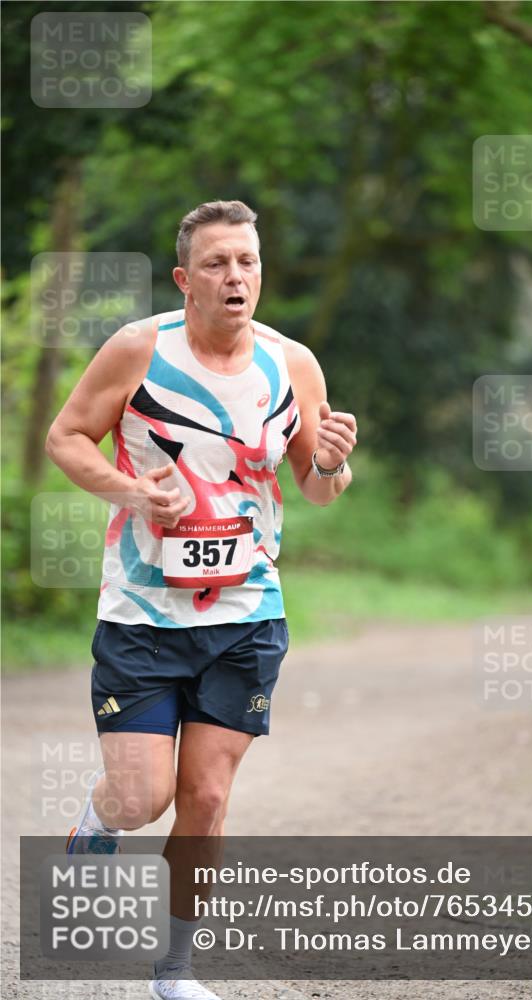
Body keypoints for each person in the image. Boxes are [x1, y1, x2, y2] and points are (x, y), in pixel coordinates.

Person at [45, 199, 357, 1000]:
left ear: (261, 272)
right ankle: (98, 818)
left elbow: (317, 492)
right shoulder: (138, 350)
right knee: (142, 798)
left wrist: (327, 461)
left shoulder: (293, 365)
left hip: (245, 613)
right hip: (143, 618)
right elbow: (67, 437)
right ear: (186, 279)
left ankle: (174, 972)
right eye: (217, 263)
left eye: (247, 262)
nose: (235, 277)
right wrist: (131, 492)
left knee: (207, 798)